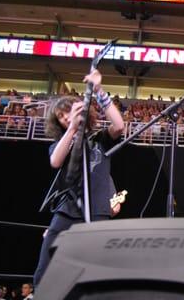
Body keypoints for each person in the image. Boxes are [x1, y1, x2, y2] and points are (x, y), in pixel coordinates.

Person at [33, 69, 125, 286]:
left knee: (93, 271)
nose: (66, 117)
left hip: (97, 212)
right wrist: (73, 128)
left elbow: (119, 126)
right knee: (45, 269)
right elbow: (55, 161)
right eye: (61, 117)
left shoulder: (98, 139)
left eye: (68, 112)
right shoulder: (62, 141)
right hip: (68, 210)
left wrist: (99, 90)